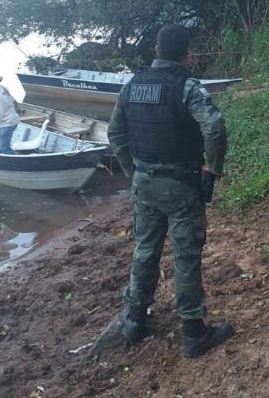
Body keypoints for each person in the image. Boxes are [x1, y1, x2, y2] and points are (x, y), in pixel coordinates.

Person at [107, 24, 233, 358]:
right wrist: (213, 168)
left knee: (145, 249)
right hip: (180, 186)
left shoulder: (132, 85)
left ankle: (135, 318)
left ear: (156, 51)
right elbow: (215, 126)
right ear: (187, 54)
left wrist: (132, 171)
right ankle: (193, 331)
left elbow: (115, 133)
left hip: (144, 184)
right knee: (186, 255)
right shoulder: (187, 87)